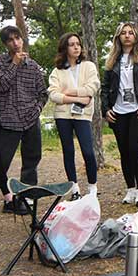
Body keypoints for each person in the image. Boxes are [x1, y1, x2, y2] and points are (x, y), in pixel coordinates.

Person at [0, 25, 47, 214]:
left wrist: (37, 109)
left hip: (30, 117)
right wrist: (14, 63)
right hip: (9, 117)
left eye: (18, 38)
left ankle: (28, 193)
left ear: (22, 39)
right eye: (10, 40)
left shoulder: (32, 66)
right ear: (5, 44)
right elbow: (2, 85)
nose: (15, 43)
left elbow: (43, 93)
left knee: (32, 157)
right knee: (0, 158)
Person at [102, 22, 138, 205]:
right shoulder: (112, 60)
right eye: (123, 33)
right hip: (118, 112)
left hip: (137, 111)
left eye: (130, 33)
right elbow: (104, 88)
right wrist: (105, 109)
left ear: (136, 36)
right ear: (118, 37)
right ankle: (130, 189)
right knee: (124, 152)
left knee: (135, 149)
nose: (127, 36)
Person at [47, 32, 100, 199]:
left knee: (88, 151)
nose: (76, 47)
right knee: (68, 151)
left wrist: (68, 93)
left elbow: (93, 87)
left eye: (78, 44)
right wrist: (78, 97)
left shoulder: (88, 66)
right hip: (62, 116)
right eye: (72, 44)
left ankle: (92, 188)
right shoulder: (57, 71)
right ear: (65, 48)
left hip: (82, 115)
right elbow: (53, 95)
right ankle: (74, 189)